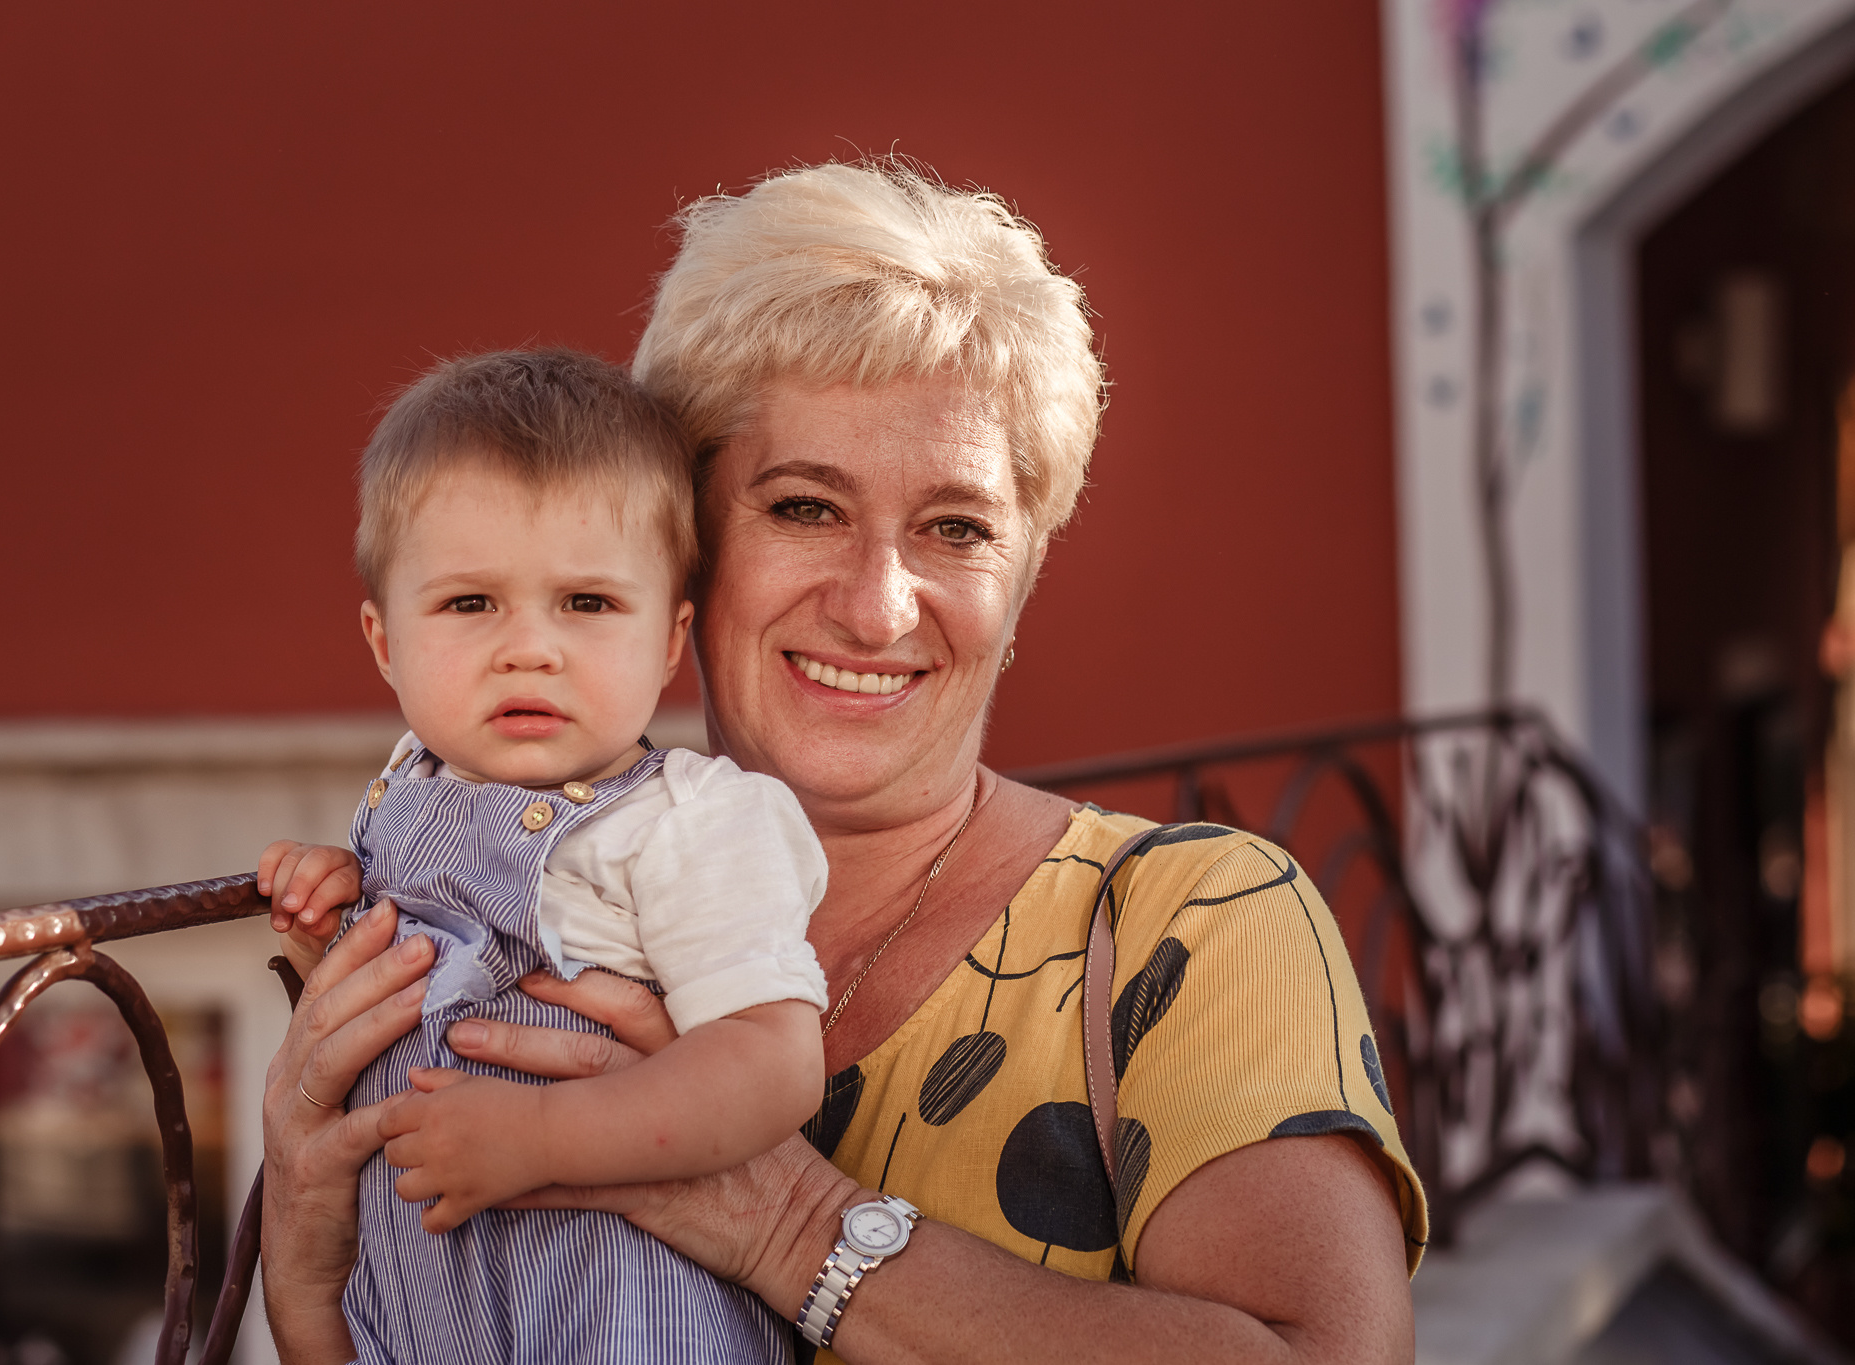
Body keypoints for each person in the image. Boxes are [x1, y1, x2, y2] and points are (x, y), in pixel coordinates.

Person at [260, 161, 1429, 1365]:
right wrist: (305, 1271)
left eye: (956, 528)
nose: (876, 609)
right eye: (804, 508)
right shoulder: (480, 896)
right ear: (690, 546)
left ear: (1021, 580)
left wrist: (783, 1219)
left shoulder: (1194, 920)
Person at [260, 348, 831, 1362]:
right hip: (423, 1309)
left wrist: (541, 1141)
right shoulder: (407, 789)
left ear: (668, 641)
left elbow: (771, 1063)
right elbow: (409, 1005)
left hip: (614, 1310)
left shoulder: (685, 822)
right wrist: (334, 918)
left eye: (587, 604)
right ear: (383, 640)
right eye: (470, 604)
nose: (529, 647)